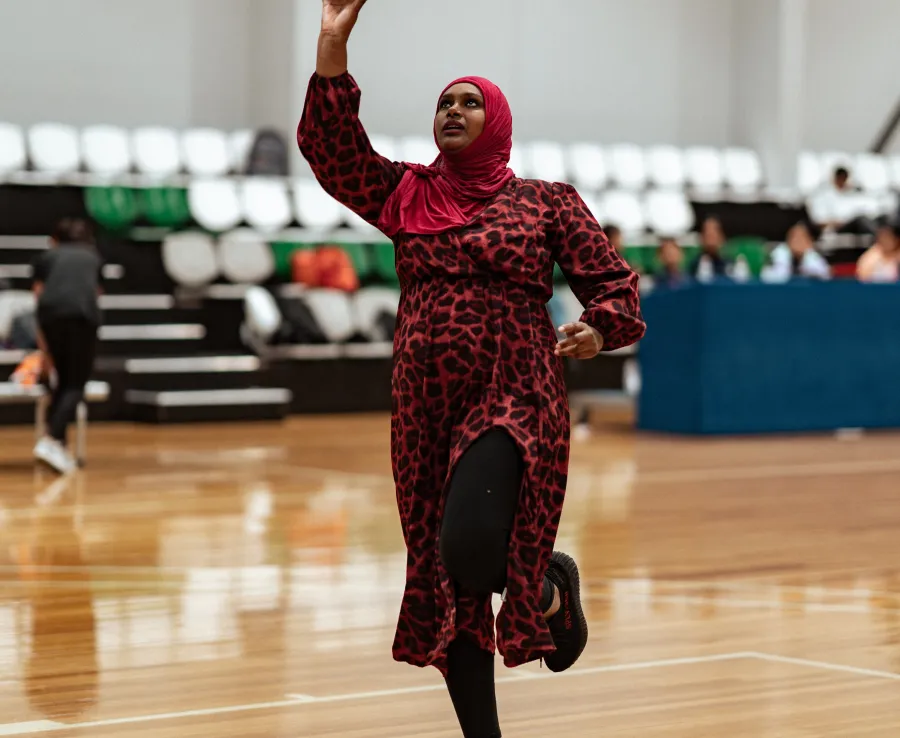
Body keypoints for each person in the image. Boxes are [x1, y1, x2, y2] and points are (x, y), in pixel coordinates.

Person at [298, 2, 645, 736]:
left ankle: (545, 580)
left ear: (499, 122)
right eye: (443, 103)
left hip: (513, 389)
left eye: (469, 102)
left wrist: (597, 328)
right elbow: (333, 152)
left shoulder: (545, 204)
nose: (452, 111)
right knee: (448, 576)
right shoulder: (404, 194)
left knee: (468, 547)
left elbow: (614, 283)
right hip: (424, 403)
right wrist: (332, 46)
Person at [31, 218, 103, 474]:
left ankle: (58, 444)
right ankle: (51, 440)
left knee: (61, 382)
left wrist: (43, 343)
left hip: (50, 318)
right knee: (76, 383)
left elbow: (38, 294)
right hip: (81, 319)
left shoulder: (48, 256)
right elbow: (95, 293)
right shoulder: (92, 256)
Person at [761, 222, 831, 283]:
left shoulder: (814, 257)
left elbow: (824, 277)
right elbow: (769, 279)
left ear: (809, 242)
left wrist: (807, 256)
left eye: (801, 238)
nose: (797, 242)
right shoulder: (777, 255)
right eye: (794, 237)